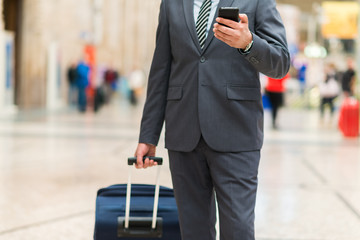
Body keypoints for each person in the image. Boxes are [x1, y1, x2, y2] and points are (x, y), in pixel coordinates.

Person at [134, 1, 290, 239]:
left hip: (236, 132)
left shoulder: (258, 2)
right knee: (193, 230)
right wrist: (149, 134)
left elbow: (280, 63)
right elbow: (161, 69)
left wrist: (248, 43)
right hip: (183, 134)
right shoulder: (171, 4)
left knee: (238, 229)